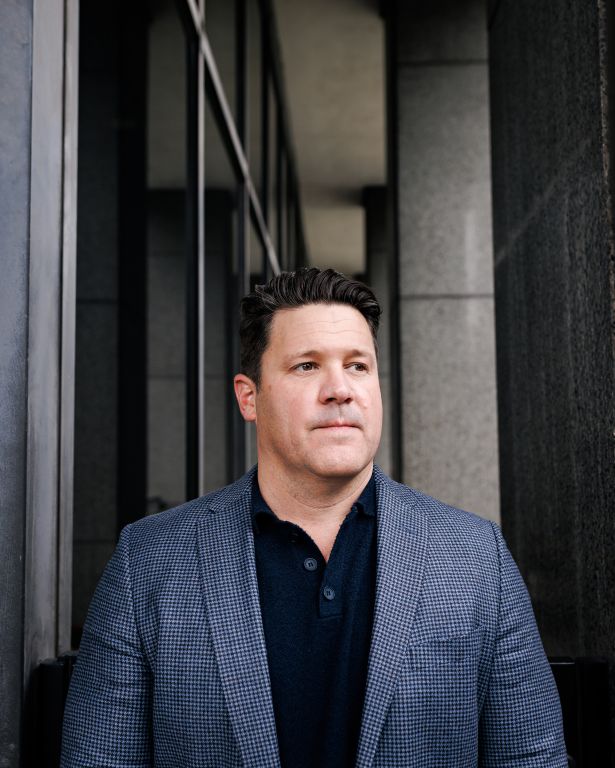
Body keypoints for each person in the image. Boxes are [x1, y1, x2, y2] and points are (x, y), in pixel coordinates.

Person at [61, 267, 567, 767]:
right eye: (307, 366)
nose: (339, 389)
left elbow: (531, 756)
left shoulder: (476, 557)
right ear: (249, 396)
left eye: (358, 366)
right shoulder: (148, 562)